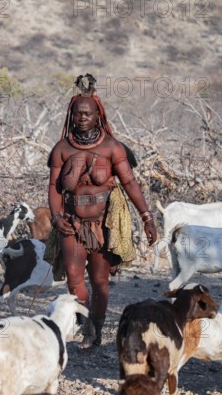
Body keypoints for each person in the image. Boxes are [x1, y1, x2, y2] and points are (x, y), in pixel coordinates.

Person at [48, 74, 157, 348]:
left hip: (103, 224)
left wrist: (147, 218)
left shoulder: (112, 148)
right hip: (71, 223)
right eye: (78, 113)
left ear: (98, 116)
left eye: (88, 113)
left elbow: (130, 182)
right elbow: (53, 187)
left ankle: (96, 328)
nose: (82, 118)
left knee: (100, 282)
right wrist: (56, 217)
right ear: (71, 116)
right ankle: (84, 325)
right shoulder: (61, 149)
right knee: (74, 278)